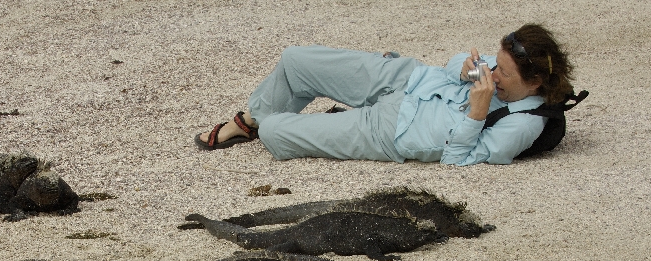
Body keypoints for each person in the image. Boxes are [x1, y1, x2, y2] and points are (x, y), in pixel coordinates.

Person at [195, 24, 574, 165]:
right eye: (494, 63)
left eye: (501, 72)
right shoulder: (499, 68)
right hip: (404, 78)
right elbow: (454, 62)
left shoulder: (523, 125)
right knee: (296, 60)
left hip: (389, 130)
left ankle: (264, 123)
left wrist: (475, 114)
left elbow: (458, 159)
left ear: (535, 82)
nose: (491, 73)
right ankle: (249, 121)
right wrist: (463, 67)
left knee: (276, 134)